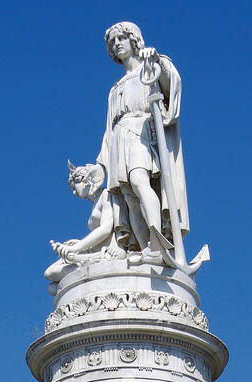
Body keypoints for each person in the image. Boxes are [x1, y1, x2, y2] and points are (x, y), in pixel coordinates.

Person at [97, 21, 188, 262]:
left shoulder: (150, 68)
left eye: (121, 38)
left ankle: (157, 241)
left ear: (134, 40)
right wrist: (101, 165)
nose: (117, 44)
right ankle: (145, 246)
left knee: (139, 180)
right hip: (119, 137)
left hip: (140, 129)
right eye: (112, 42)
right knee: (127, 194)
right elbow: (109, 129)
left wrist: (156, 59)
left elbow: (171, 84)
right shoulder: (115, 88)